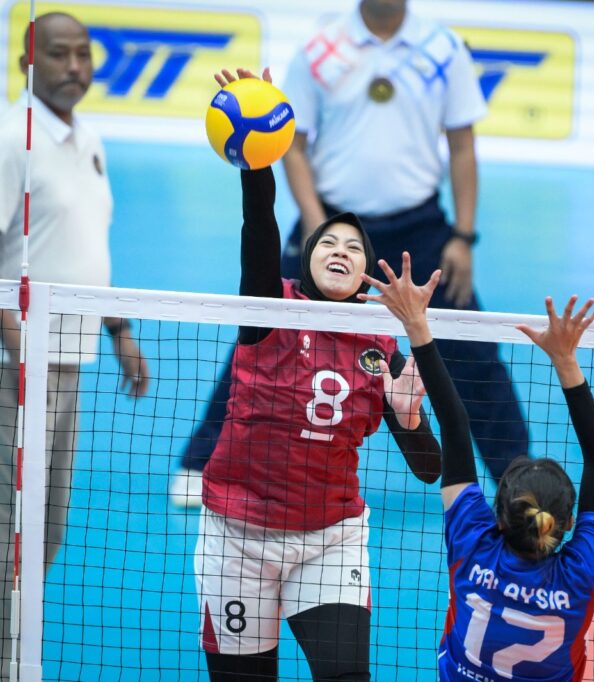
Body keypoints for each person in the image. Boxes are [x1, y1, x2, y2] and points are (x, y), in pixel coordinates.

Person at [169, 0, 529, 506]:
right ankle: (201, 460)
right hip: (331, 223)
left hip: (421, 227)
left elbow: (462, 145)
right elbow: (294, 146)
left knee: (473, 350)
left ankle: (519, 478)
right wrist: (317, 224)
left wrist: (463, 236)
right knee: (264, 330)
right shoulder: (321, 48)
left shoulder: (444, 49)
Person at [195, 68, 440, 682]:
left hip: (330, 537)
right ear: (306, 260)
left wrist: (410, 418)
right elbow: (259, 225)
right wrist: (258, 156)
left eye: (354, 248)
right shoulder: (269, 309)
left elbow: (430, 468)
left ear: (365, 275)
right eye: (329, 242)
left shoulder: (381, 348)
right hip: (236, 535)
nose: (341, 251)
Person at [0, 13, 149, 680]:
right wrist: (20, 344)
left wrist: (118, 331)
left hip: (65, 361)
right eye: (58, 54)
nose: (74, 66)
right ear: (27, 64)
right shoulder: (8, 141)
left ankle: (5, 661)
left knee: (46, 528)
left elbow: (84, 253)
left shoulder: (86, 140)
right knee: (2, 531)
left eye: (83, 54)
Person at [360, 253, 594, 681]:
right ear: (570, 523)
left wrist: (415, 324)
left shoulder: (474, 546)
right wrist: (566, 360)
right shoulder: (581, 575)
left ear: (499, 519)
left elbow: (454, 424)